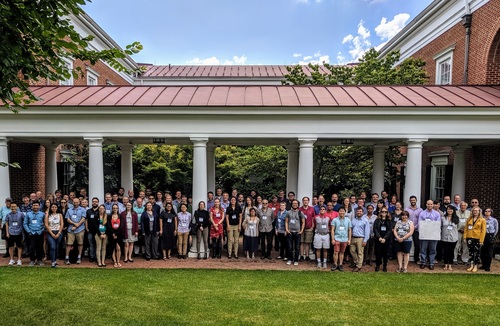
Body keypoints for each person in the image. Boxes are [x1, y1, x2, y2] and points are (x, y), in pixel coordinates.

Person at [418, 199, 441, 270]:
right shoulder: (422, 213)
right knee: (423, 249)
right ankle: (423, 262)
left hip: (433, 235)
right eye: (428, 204)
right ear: (426, 204)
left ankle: (431, 263)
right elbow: (420, 224)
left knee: (433, 249)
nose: (430, 205)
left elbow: (438, 224)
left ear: (433, 205)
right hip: (424, 234)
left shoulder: (437, 214)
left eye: (431, 204)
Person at [463, 206, 486, 273]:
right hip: (469, 237)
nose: (475, 212)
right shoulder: (469, 219)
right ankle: (471, 265)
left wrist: (481, 240)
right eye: (474, 210)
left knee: (476, 252)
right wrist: (465, 237)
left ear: (479, 212)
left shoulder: (482, 220)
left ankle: (476, 265)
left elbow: (483, 231)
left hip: (477, 238)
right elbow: (466, 229)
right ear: (472, 211)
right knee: (471, 252)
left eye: (477, 210)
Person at [64, 198, 86, 265]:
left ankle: (79, 257)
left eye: (76, 202)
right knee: (69, 244)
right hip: (71, 229)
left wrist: (77, 226)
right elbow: (67, 219)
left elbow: (83, 218)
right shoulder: (69, 210)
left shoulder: (82, 210)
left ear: (79, 202)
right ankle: (67, 258)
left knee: (80, 243)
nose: (75, 203)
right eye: (74, 202)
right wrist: (74, 224)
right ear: (72, 202)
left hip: (80, 229)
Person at [23, 201, 45, 266]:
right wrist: (29, 231)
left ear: (39, 206)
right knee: (32, 247)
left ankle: (39, 260)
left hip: (39, 233)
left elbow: (45, 224)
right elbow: (25, 223)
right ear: (32, 206)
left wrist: (42, 230)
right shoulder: (28, 214)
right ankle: (32, 260)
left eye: (36, 205)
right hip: (31, 233)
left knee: (40, 247)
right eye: (34, 205)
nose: (35, 207)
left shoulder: (42, 214)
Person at [330, 207, 352, 271]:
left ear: (345, 212)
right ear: (338, 212)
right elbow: (332, 230)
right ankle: (335, 264)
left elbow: (349, 230)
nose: (341, 212)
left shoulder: (348, 220)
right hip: (337, 238)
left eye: (343, 211)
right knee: (336, 252)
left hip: (345, 239)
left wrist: (349, 239)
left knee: (342, 252)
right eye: (340, 211)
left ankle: (340, 264)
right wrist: (333, 239)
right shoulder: (335, 220)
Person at [285, 199, 305, 266]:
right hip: (290, 232)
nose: (295, 204)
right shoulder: (288, 212)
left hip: (297, 232)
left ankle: (296, 260)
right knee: (290, 247)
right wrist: (287, 229)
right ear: (291, 204)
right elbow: (286, 221)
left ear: (298, 204)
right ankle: (290, 259)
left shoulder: (300, 212)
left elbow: (303, 222)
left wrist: (301, 231)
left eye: (296, 203)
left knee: (297, 247)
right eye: (293, 203)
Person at [349, 207, 370, 272]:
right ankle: (357, 262)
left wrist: (365, 240)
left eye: (360, 211)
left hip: (360, 238)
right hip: (353, 237)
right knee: (352, 251)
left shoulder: (365, 220)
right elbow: (351, 229)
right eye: (357, 211)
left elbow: (367, 231)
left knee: (360, 253)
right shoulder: (353, 220)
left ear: (362, 212)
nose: (358, 212)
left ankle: (359, 266)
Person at [44, 203, 63, 268]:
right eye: (52, 207)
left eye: (55, 207)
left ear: (57, 208)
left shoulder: (60, 215)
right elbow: (46, 224)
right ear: (50, 208)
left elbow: (62, 224)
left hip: (58, 232)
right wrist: (51, 233)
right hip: (50, 232)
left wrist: (59, 233)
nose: (54, 208)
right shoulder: (48, 215)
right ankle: (52, 262)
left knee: (57, 247)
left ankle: (55, 260)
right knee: (52, 246)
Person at [373, 208, 392, 272]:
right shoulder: (377, 220)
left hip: (386, 240)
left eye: (385, 212)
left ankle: (384, 266)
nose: (384, 213)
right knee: (378, 253)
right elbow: (375, 229)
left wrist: (385, 238)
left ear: (387, 213)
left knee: (385, 254)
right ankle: (377, 265)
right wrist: (379, 238)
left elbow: (390, 231)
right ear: (380, 212)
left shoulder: (389, 221)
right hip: (378, 239)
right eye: (382, 212)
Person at [405, 196, 423, 264]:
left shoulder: (420, 210)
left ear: (416, 200)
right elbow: (405, 219)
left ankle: (416, 259)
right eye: (411, 200)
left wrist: (415, 227)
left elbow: (420, 220)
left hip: (416, 229)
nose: (413, 201)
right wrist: (410, 227)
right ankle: (406, 258)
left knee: (417, 244)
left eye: (414, 200)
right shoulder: (406, 209)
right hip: (408, 229)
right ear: (409, 201)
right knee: (406, 243)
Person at [480, 208, 498, 272]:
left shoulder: (494, 220)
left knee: (489, 253)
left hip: (490, 236)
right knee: (482, 252)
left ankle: (488, 266)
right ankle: (483, 265)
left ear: (491, 212)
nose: (487, 212)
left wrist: (492, 235)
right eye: (486, 211)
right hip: (482, 236)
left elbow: (496, 229)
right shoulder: (481, 219)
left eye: (489, 211)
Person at [441, 206, 459, 271]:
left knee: (451, 252)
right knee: (445, 251)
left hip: (453, 238)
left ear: (453, 210)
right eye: (448, 209)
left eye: (451, 209)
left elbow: (458, 228)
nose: (450, 210)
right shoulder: (443, 218)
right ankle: (445, 264)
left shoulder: (456, 218)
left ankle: (450, 265)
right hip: (444, 237)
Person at [299, 196, 315, 261]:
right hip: (301, 228)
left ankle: (307, 256)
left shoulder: (312, 209)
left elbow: (313, 218)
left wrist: (312, 226)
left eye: (307, 200)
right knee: (301, 242)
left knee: (307, 243)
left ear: (308, 201)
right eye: (304, 200)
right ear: (302, 201)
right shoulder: (300, 209)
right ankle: (302, 255)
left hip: (309, 228)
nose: (305, 201)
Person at [85, 197, 99, 263]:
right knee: (91, 245)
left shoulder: (100, 210)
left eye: (96, 201)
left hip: (98, 231)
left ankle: (97, 257)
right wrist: (87, 228)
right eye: (93, 201)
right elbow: (86, 220)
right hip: (90, 230)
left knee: (97, 245)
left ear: (98, 202)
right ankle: (92, 257)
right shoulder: (88, 211)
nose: (94, 202)